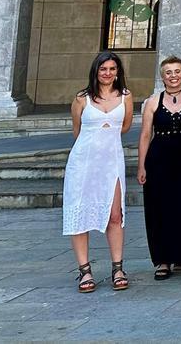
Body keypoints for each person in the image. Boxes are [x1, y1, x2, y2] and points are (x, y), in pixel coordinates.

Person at [64, 52, 134, 292]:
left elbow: (125, 127)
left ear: (118, 72)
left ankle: (118, 268)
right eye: (103, 69)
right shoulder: (81, 98)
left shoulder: (125, 96)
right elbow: (77, 131)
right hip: (83, 163)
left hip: (112, 161)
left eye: (112, 69)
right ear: (96, 71)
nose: (107, 73)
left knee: (115, 215)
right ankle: (84, 270)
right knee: (80, 214)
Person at [137, 56, 181, 280]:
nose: (173, 76)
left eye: (177, 71)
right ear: (162, 76)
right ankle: (163, 260)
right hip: (160, 160)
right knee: (160, 208)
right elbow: (145, 135)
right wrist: (141, 166)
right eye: (168, 72)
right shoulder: (152, 102)